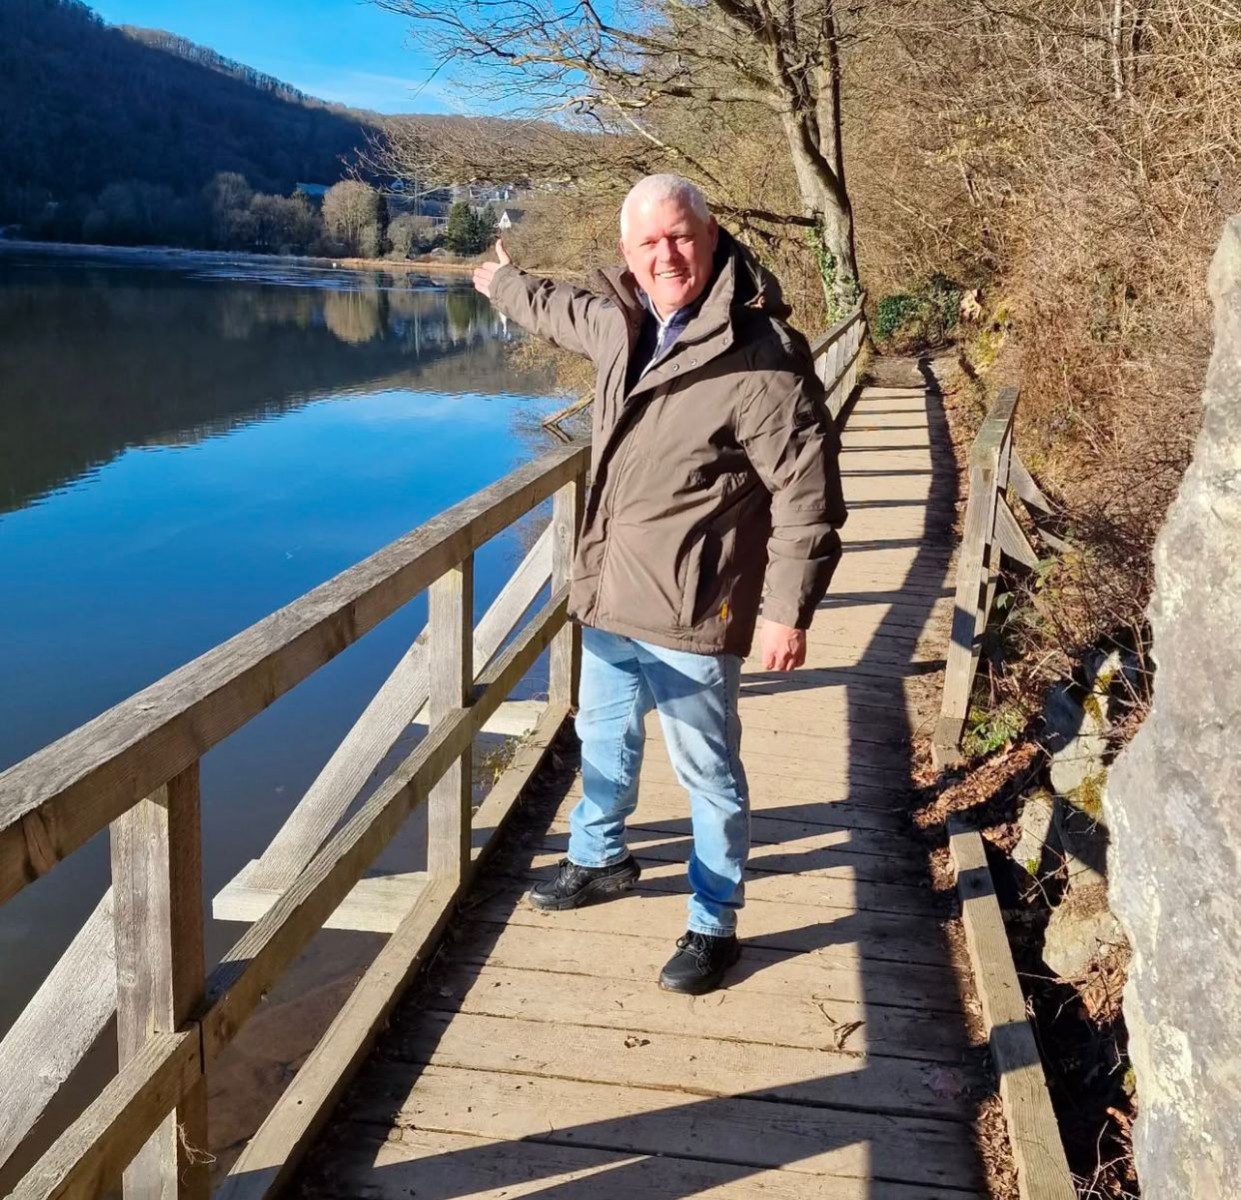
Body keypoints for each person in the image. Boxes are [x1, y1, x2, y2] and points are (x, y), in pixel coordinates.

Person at [473, 174, 846, 994]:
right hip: (610, 591)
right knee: (602, 736)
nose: (666, 255)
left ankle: (713, 921)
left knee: (706, 771)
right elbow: (558, 310)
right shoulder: (624, 322)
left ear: (711, 237)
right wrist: (500, 282)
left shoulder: (761, 356)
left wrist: (785, 610)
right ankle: (599, 858)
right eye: (648, 242)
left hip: (692, 606)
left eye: (679, 236)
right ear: (627, 252)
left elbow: (807, 495)